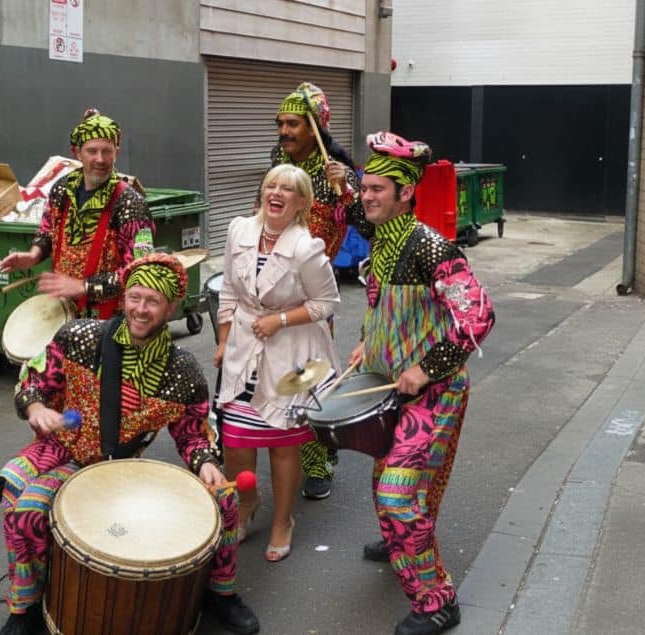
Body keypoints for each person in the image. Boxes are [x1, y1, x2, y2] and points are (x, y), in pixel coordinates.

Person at [0, 253, 260, 635]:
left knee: (224, 499)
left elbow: (192, 433)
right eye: (134, 297)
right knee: (23, 507)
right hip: (64, 453)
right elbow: (32, 381)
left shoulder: (181, 370)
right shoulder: (80, 337)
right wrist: (35, 406)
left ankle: (221, 594)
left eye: (152, 301)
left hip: (119, 467)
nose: (140, 309)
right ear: (122, 299)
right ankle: (26, 607)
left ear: (170, 308)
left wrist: (205, 462)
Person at [348, 131, 495, 635]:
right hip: (390, 385)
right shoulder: (380, 241)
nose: (365, 197)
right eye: (364, 188)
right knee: (387, 479)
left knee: (397, 490)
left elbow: (477, 316)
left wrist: (425, 369)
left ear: (406, 193)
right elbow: (383, 304)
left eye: (376, 190)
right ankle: (399, 539)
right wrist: (371, 341)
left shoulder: (432, 247)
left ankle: (437, 601)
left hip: (436, 391)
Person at [214, 164, 341, 563]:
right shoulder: (239, 230)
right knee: (235, 443)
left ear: (301, 202)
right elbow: (229, 288)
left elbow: (326, 304)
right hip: (242, 349)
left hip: (291, 354)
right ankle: (247, 503)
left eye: (288, 189)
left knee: (283, 447)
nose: (278, 192)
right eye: (272, 185)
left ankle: (282, 521)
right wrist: (222, 340)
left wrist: (280, 319)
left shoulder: (307, 248)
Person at [271, 82, 364, 500]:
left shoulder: (334, 173)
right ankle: (267, 439)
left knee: (310, 375)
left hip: (312, 292)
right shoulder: (279, 163)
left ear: (314, 128)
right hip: (273, 285)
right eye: (281, 124)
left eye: (293, 123)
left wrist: (345, 189)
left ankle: (319, 458)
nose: (284, 131)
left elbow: (364, 223)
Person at [0, 108, 155, 319]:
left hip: (112, 320)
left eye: (107, 151)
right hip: (63, 312)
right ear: (77, 152)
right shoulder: (62, 190)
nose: (100, 159)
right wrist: (35, 254)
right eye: (92, 151)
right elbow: (48, 229)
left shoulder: (131, 203)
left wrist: (84, 286)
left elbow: (140, 271)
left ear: (116, 153)